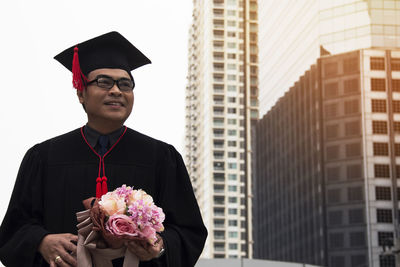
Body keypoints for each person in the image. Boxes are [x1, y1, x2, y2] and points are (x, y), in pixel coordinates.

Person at [0, 31, 207, 267]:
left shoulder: (162, 157)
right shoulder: (44, 157)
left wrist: (160, 246)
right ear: (80, 92)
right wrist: (42, 241)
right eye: (104, 82)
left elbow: (189, 232)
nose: (117, 91)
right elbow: (13, 231)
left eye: (125, 84)